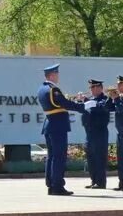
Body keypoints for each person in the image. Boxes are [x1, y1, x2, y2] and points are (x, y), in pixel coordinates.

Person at [37, 64, 84, 196]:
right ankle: (57, 186)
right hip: (58, 125)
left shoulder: (42, 89)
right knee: (59, 157)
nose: (58, 76)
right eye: (56, 74)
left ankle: (51, 184)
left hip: (49, 124)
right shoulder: (53, 89)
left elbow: (58, 103)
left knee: (51, 156)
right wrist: (82, 106)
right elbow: (65, 104)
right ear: (52, 75)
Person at [80, 80, 111, 189]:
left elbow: (101, 108)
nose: (92, 90)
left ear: (100, 88)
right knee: (91, 158)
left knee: (99, 158)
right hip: (89, 132)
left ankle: (100, 182)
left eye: (94, 87)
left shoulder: (105, 99)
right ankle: (93, 180)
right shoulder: (90, 100)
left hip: (99, 132)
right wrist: (82, 102)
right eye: (91, 87)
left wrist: (87, 101)